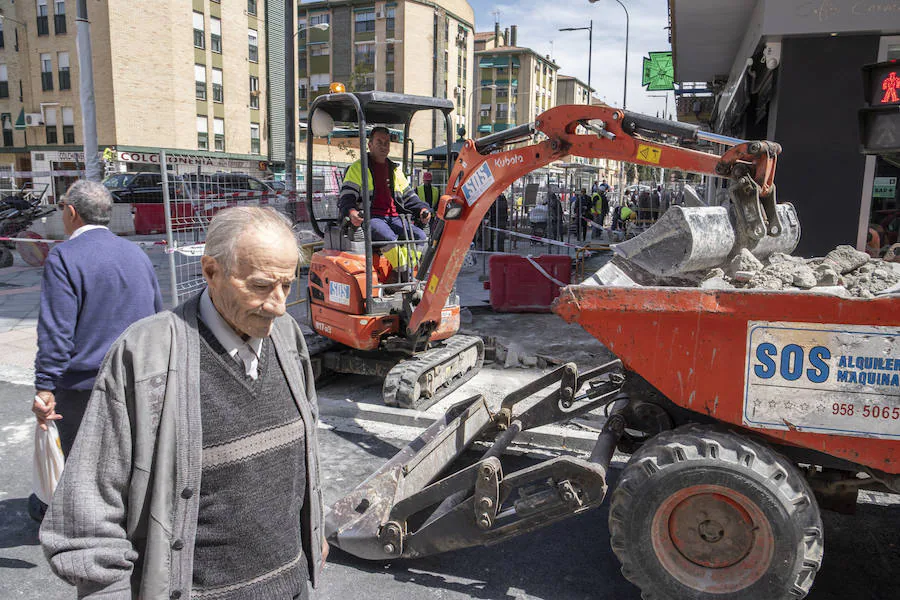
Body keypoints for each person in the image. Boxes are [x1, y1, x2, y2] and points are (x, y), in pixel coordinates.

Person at [41, 207, 327, 600]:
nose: (278, 305)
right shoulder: (143, 357)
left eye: (287, 285)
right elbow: (89, 513)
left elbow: (304, 467)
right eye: (261, 287)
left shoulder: (288, 338)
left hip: (290, 587)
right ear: (211, 271)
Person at [32, 180, 163, 458]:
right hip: (137, 381)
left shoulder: (65, 257)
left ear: (71, 212)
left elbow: (56, 331)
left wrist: (45, 386)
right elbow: (156, 318)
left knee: (85, 472)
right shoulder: (136, 254)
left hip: (85, 389)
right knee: (131, 466)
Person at [339, 126, 431, 278]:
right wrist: (352, 213)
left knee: (421, 237)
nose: (383, 146)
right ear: (370, 145)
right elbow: (347, 197)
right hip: (372, 218)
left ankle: (402, 272)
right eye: (379, 142)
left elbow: (409, 197)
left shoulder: (395, 170)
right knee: (389, 239)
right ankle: (404, 275)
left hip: (394, 217)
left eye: (386, 142)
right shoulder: (358, 168)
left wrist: (422, 209)